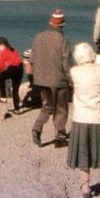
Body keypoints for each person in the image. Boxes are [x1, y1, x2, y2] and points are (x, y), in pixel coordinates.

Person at [67, 42, 100, 198]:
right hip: (99, 117)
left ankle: (86, 189)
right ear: (91, 55)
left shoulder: (74, 72)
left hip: (80, 118)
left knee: (83, 153)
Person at [30, 9, 71, 148]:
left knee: (47, 106)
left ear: (50, 23)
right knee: (61, 109)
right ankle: (59, 137)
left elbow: (32, 59)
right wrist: (71, 80)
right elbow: (66, 63)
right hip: (59, 80)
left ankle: (37, 127)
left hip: (41, 80)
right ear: (62, 25)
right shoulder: (62, 40)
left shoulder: (38, 37)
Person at [0, 37, 24, 112]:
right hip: (20, 69)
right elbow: (18, 59)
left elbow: (0, 65)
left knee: (0, 78)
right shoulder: (13, 49)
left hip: (13, 69)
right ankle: (17, 109)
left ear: (1, 45)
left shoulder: (3, 51)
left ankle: (3, 97)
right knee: (15, 90)